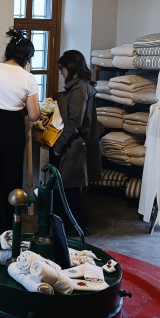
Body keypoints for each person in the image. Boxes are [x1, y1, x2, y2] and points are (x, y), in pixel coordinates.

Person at [0, 28, 40, 233]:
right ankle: (10, 229)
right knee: (11, 180)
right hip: (12, 129)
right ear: (27, 58)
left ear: (7, 52)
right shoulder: (28, 78)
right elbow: (34, 115)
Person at [50, 50, 102, 236]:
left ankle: (79, 226)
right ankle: (69, 225)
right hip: (73, 144)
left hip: (73, 145)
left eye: (62, 68)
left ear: (70, 67)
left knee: (68, 188)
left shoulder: (79, 88)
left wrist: (58, 146)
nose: (61, 72)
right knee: (66, 188)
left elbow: (74, 122)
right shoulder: (80, 86)